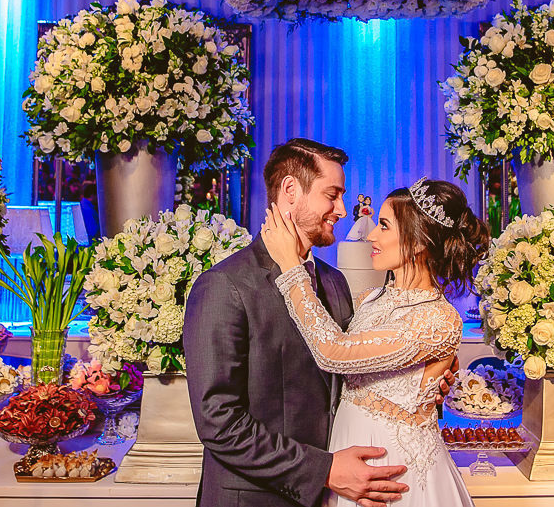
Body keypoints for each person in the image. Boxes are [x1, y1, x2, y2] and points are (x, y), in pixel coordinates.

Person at [185, 139, 411, 507]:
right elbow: (219, 423)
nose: (342, 210)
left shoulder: (334, 281)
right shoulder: (224, 286)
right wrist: (323, 470)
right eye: (332, 195)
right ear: (291, 190)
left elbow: (350, 373)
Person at [262, 179, 490, 507]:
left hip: (393, 473)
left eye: (384, 226)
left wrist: (290, 266)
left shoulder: (438, 319)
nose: (371, 235)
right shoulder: (371, 299)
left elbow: (333, 352)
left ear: (418, 242)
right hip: (347, 460)